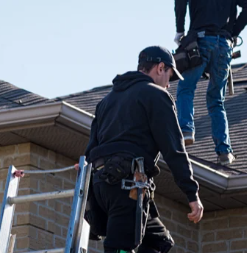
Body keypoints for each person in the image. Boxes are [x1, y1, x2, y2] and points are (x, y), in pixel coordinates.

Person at [85, 46, 204, 253]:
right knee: (119, 248)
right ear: (160, 68)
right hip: (126, 185)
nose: (169, 84)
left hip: (101, 186)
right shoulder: (156, 95)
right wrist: (192, 194)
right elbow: (174, 150)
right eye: (169, 76)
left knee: (157, 242)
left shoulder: (106, 101)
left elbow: (90, 150)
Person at [174, 0, 247, 165]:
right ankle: (224, 152)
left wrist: (180, 30)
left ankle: (186, 130)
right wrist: (233, 31)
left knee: (186, 88)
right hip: (224, 47)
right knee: (216, 100)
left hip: (200, 43)